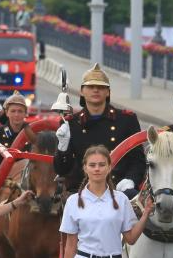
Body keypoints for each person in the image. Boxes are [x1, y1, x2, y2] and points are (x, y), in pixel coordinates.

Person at [54, 63, 146, 196]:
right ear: (82, 91)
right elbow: (62, 169)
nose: (96, 90)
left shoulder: (127, 120)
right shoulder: (71, 123)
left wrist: (130, 180)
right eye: (91, 87)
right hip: (81, 192)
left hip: (118, 189)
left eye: (101, 87)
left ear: (108, 92)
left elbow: (138, 161)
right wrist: (62, 148)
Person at [0, 93, 30, 169]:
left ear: (25, 114)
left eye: (20, 111)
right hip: (2, 174)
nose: (16, 115)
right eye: (13, 111)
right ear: (7, 113)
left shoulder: (34, 135)